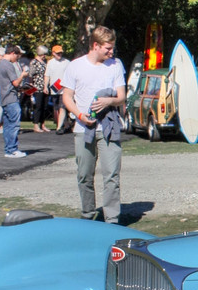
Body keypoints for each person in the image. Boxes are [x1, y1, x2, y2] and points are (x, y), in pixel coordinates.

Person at [62, 26, 126, 222]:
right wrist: (80, 115)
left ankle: (112, 220)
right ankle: (88, 215)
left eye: (112, 47)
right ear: (95, 45)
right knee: (84, 176)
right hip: (83, 129)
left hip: (109, 128)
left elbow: (122, 96)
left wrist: (109, 101)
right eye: (107, 48)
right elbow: (67, 97)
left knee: (111, 176)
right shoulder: (75, 66)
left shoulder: (115, 65)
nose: (111, 52)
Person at [0, 45, 26, 157]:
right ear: (12, 53)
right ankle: (12, 149)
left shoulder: (0, 63)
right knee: (14, 125)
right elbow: (15, 82)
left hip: (5, 97)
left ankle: (8, 149)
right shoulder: (8, 65)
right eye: (17, 55)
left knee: (7, 125)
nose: (17, 58)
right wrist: (22, 75)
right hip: (11, 98)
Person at [46, 44, 71, 133]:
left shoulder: (67, 62)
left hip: (64, 89)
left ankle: (59, 128)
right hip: (54, 89)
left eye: (60, 53)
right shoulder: (50, 63)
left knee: (62, 107)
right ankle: (66, 125)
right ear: (53, 53)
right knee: (56, 108)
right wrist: (46, 86)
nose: (59, 54)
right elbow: (47, 75)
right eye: (57, 53)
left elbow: (70, 75)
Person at [29, 45, 51, 132]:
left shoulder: (45, 62)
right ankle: (36, 124)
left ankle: (43, 124)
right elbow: (31, 76)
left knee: (44, 106)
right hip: (37, 87)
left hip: (45, 87)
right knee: (37, 106)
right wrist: (31, 88)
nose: (44, 56)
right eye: (43, 54)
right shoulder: (34, 62)